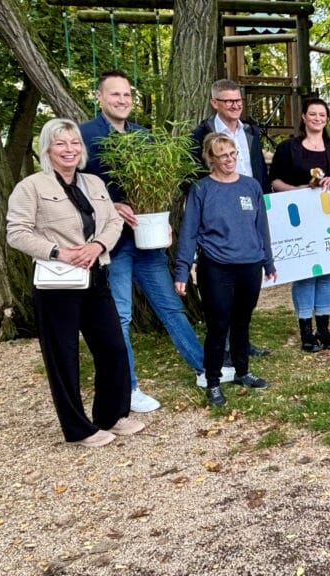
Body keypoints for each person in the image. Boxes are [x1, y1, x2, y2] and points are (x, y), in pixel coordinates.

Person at [79, 70, 234, 413]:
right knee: (121, 315)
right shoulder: (85, 135)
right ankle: (128, 387)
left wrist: (162, 221)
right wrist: (112, 205)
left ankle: (203, 367)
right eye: (115, 94)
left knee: (170, 307)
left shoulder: (143, 136)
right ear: (99, 97)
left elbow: (157, 188)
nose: (122, 100)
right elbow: (75, 188)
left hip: (146, 242)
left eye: (127, 95)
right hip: (112, 243)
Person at [7, 118, 145, 447]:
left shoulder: (94, 183)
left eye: (74, 143)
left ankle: (110, 415)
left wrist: (97, 246)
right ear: (48, 149)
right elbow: (16, 233)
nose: (69, 150)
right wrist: (58, 252)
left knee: (112, 347)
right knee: (63, 357)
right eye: (61, 144)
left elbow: (112, 221)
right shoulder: (31, 187)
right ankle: (78, 429)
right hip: (58, 285)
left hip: (95, 276)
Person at [174, 133, 277, 407]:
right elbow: (189, 232)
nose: (230, 160)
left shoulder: (251, 186)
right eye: (223, 156)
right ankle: (213, 381)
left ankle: (243, 371)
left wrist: (268, 261)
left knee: (242, 322)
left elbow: (261, 227)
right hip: (216, 267)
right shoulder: (202, 190)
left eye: (233, 154)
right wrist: (182, 270)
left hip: (249, 264)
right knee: (218, 325)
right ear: (211, 159)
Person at [190, 79, 271, 357]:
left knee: (245, 291)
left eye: (238, 100)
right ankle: (220, 348)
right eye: (228, 101)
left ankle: (241, 345)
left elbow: (257, 166)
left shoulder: (250, 131)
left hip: (249, 206)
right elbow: (189, 176)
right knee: (221, 292)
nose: (235, 105)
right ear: (215, 103)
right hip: (221, 216)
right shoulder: (201, 133)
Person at [270, 97, 330, 352]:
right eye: (313, 114)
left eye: (322, 115)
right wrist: (300, 190)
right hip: (301, 219)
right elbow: (274, 182)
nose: (318, 118)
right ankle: (306, 331)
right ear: (304, 117)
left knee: (328, 274)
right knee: (305, 274)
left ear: (327, 119)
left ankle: (324, 329)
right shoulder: (288, 149)